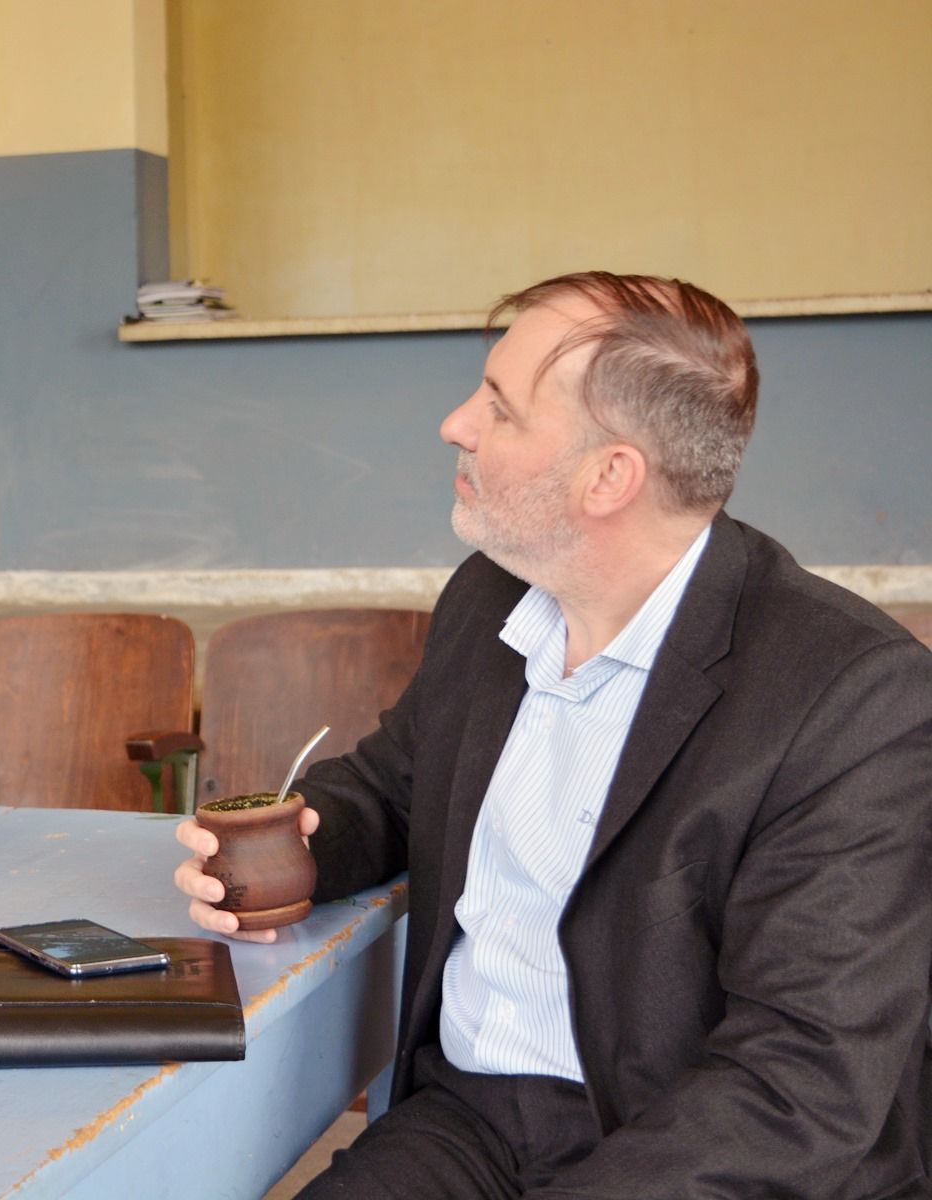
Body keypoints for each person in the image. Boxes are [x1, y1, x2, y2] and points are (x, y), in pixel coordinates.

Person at [174, 272, 932, 1198]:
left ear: (609, 477)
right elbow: (395, 785)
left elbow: (800, 1085)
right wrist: (295, 848)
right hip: (468, 1122)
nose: (456, 424)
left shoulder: (856, 697)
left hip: (686, 1152)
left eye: (500, 407)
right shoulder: (490, 594)